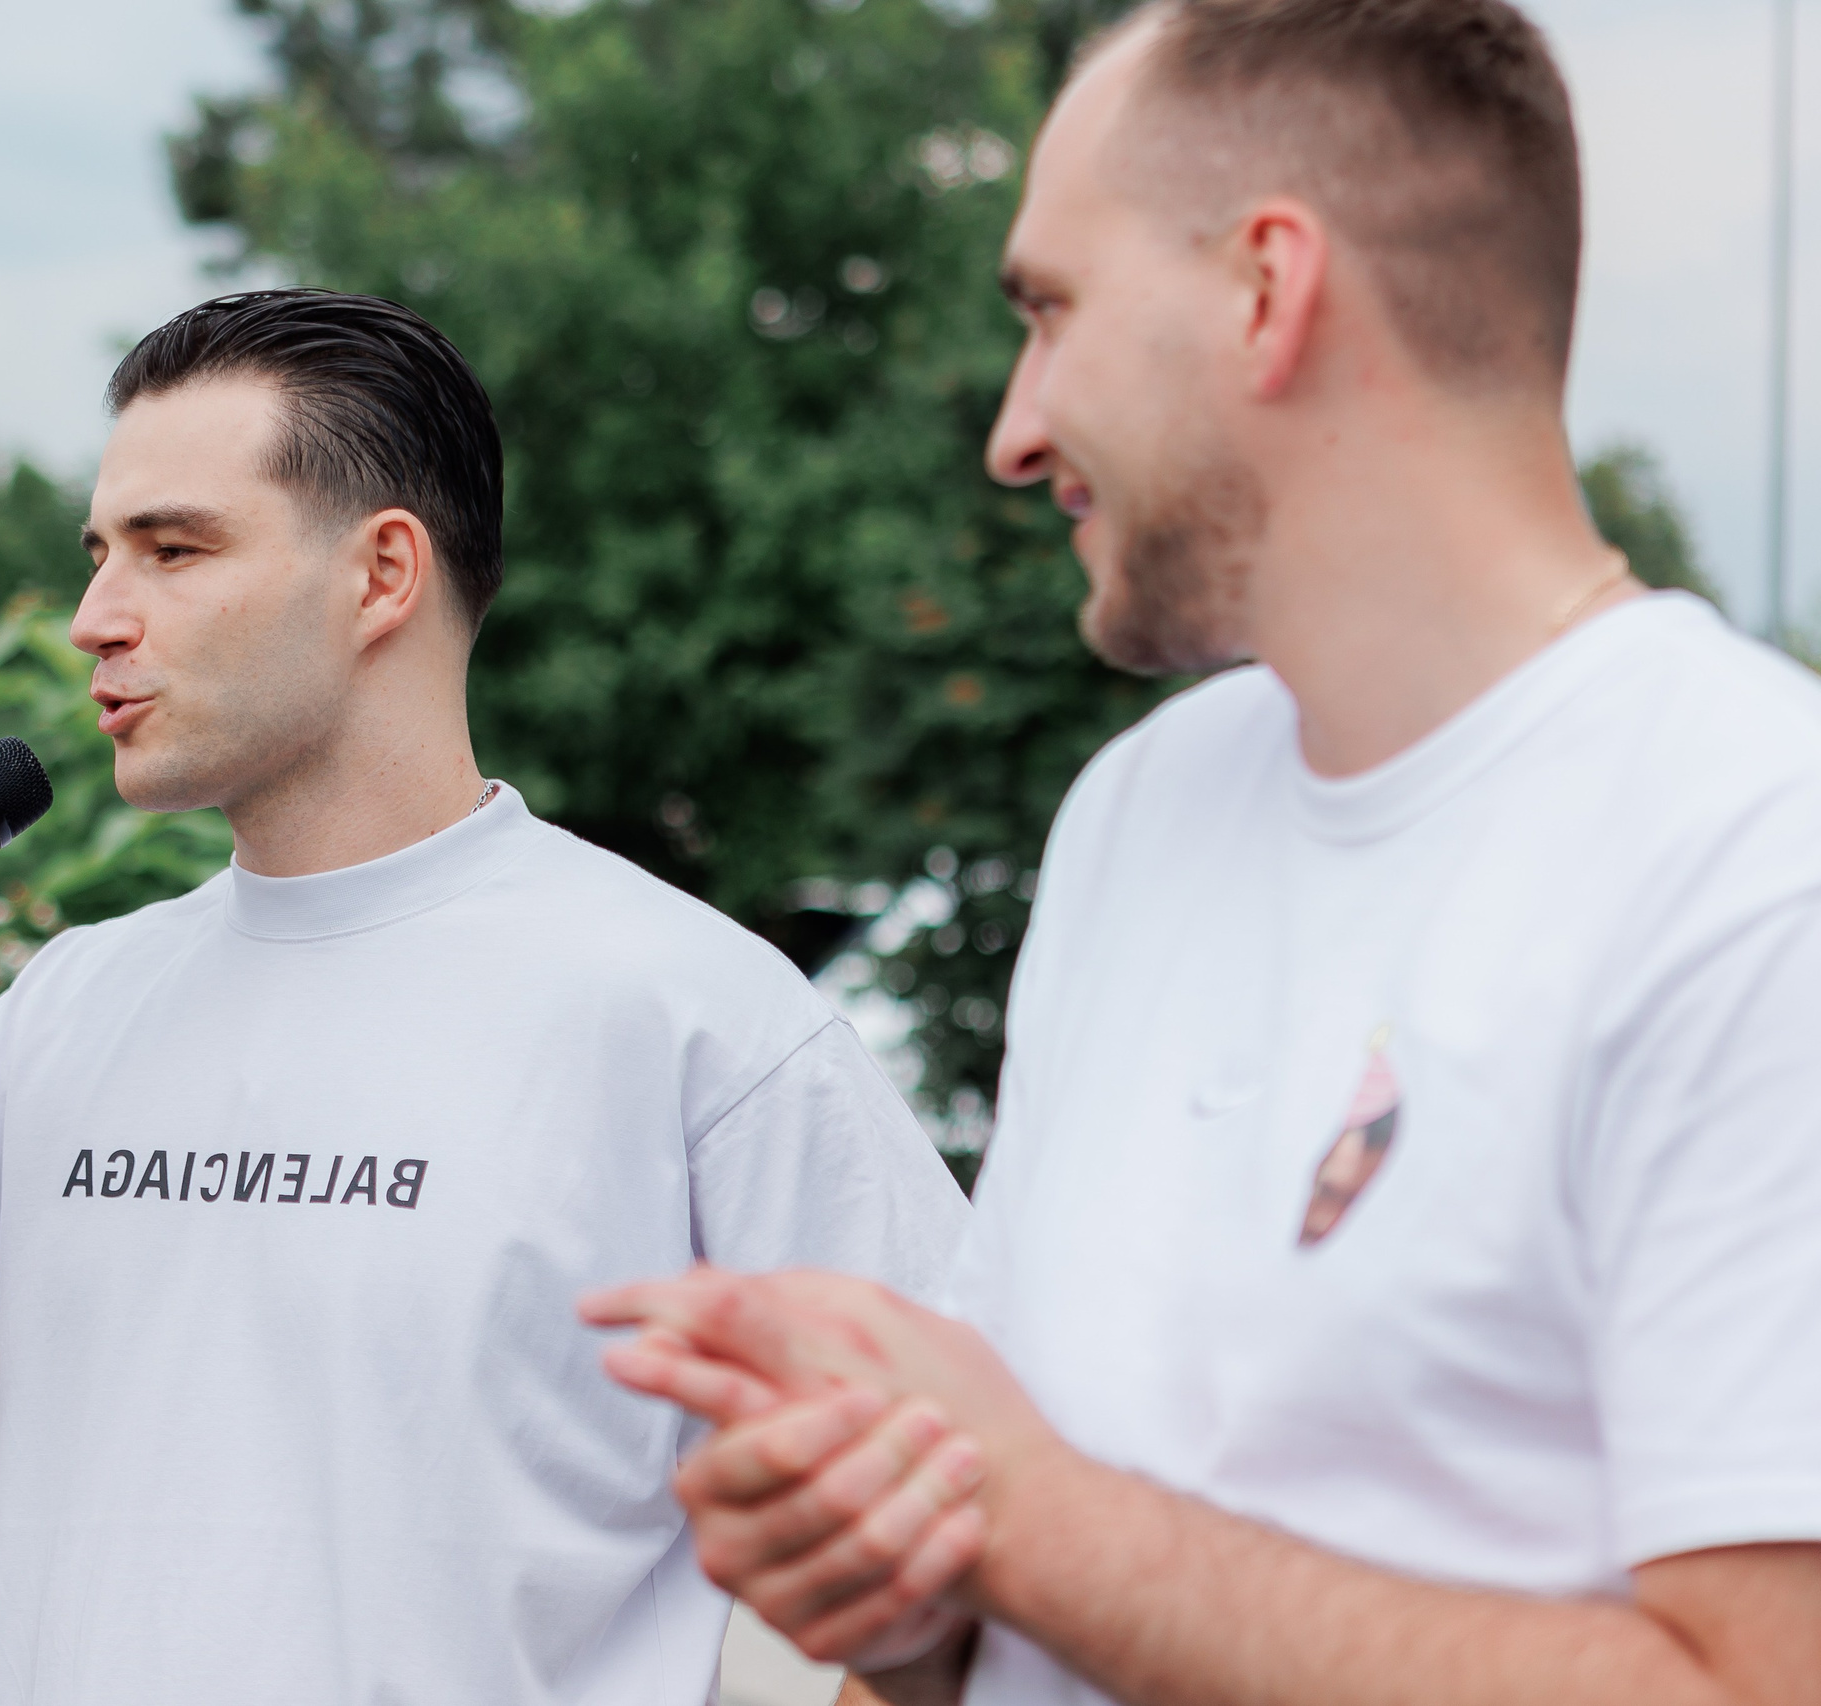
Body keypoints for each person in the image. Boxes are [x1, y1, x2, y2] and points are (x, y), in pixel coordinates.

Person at [581, 3, 1821, 1703]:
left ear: (1266, 288)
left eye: (1050, 310)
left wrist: (1033, 1525)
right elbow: (1006, 1570)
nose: (1014, 430)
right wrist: (907, 1602)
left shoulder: (1758, 856)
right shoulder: (1137, 810)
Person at [0, 287, 966, 1703]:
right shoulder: (67, 1012)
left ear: (381, 575)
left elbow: (973, 1542)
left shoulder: (691, 1020)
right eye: (99, 554)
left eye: (173, 550)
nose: (91, 620)